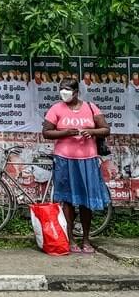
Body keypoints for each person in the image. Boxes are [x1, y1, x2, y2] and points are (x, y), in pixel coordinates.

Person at [43, 78, 111, 254]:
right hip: (64, 160)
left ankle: (86, 240)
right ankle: (71, 239)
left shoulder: (90, 107)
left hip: (88, 160)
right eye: (61, 89)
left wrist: (92, 131)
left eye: (67, 90)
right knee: (67, 200)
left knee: (86, 201)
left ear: (76, 92)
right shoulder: (56, 109)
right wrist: (65, 132)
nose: (63, 93)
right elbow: (46, 132)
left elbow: (105, 129)